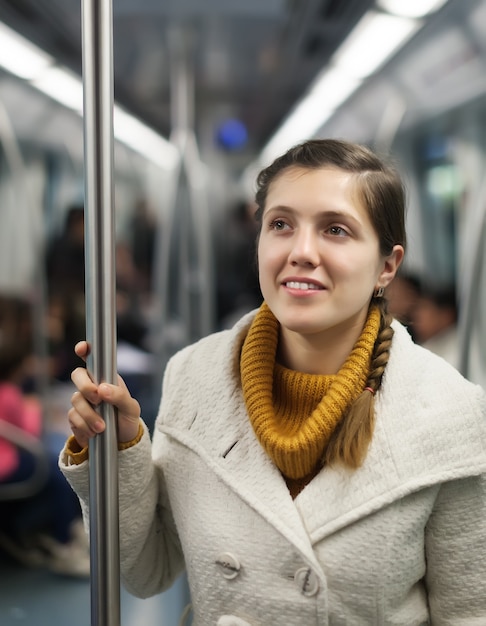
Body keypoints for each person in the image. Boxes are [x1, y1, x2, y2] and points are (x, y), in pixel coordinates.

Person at [60, 139, 486, 624]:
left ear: (386, 266)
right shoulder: (194, 376)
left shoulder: (450, 411)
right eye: (281, 224)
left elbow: (469, 612)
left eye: (336, 230)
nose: (302, 252)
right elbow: (146, 571)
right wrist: (118, 448)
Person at [0, 338, 90, 578]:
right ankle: (65, 541)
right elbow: (29, 433)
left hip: (7, 458)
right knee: (57, 469)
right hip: (7, 464)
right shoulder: (9, 393)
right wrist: (36, 411)